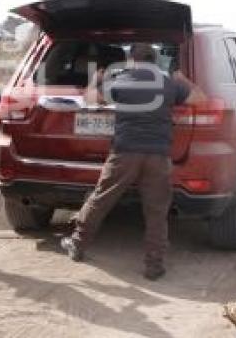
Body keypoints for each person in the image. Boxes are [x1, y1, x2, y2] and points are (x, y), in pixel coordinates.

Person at [61, 43, 206, 280]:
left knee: (101, 199)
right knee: (156, 211)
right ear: (155, 61)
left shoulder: (121, 81)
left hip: (125, 153)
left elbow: (89, 100)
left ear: (130, 60)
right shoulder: (168, 84)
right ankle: (154, 266)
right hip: (158, 156)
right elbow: (200, 98)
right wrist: (182, 79)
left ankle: (77, 244)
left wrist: (95, 79)